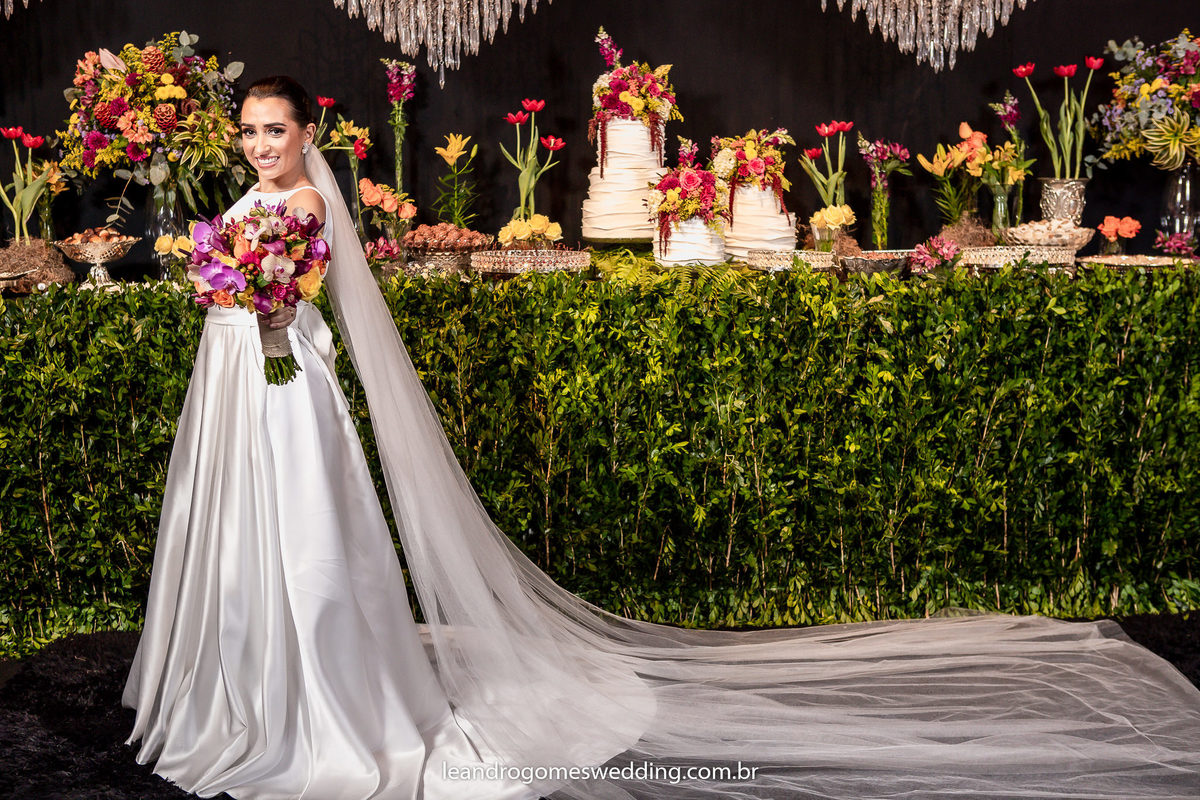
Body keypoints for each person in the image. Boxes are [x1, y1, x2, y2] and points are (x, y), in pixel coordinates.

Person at [123, 76, 1200, 800]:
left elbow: (276, 287)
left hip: (281, 379)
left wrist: (243, 285)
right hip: (236, 381)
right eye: (250, 132)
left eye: (275, 130)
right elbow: (234, 277)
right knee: (241, 540)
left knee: (308, 541)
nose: (261, 145)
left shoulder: (306, 206)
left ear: (305, 135)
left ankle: (319, 693)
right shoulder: (249, 198)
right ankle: (246, 672)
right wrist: (221, 279)